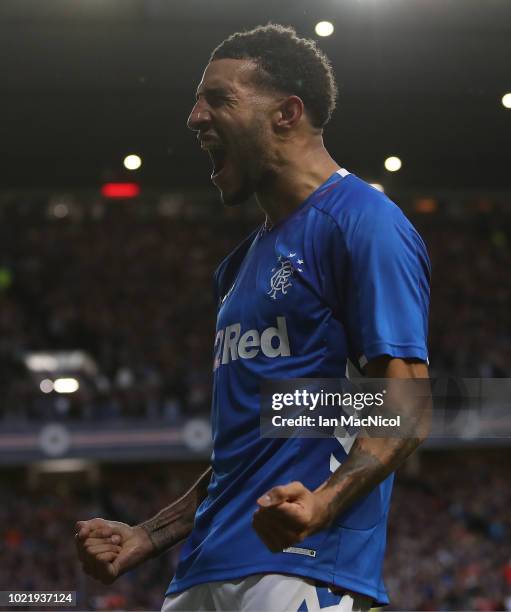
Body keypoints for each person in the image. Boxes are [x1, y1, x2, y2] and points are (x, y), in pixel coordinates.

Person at [76, 24, 431, 611]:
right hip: (202, 570)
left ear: (287, 113)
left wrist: (323, 502)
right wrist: (148, 535)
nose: (194, 118)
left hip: (302, 571)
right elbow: (242, 452)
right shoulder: (238, 265)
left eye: (217, 98)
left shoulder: (364, 222)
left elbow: (410, 405)